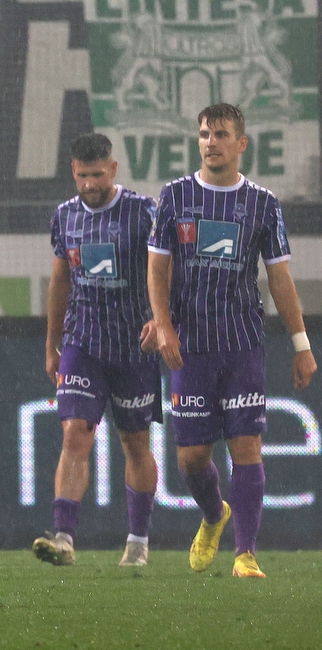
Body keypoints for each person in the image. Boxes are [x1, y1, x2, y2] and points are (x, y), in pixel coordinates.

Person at [147, 103, 317, 578]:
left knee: (246, 448)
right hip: (190, 345)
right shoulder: (175, 196)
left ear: (242, 144)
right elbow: (157, 269)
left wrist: (301, 344)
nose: (210, 141)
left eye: (220, 134)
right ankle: (212, 514)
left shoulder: (263, 204)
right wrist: (163, 325)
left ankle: (246, 554)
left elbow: (279, 278)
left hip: (242, 342)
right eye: (204, 134)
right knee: (191, 458)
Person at [33, 134, 161, 568]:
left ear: (113, 169)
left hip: (134, 346)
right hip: (83, 342)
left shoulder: (144, 212)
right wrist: (52, 343)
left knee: (135, 443)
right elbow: (60, 281)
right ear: (74, 171)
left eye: (97, 174)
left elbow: (168, 270)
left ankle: (138, 541)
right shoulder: (64, 217)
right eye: (82, 175)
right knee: (75, 434)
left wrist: (162, 319)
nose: (89, 183)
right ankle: (64, 537)